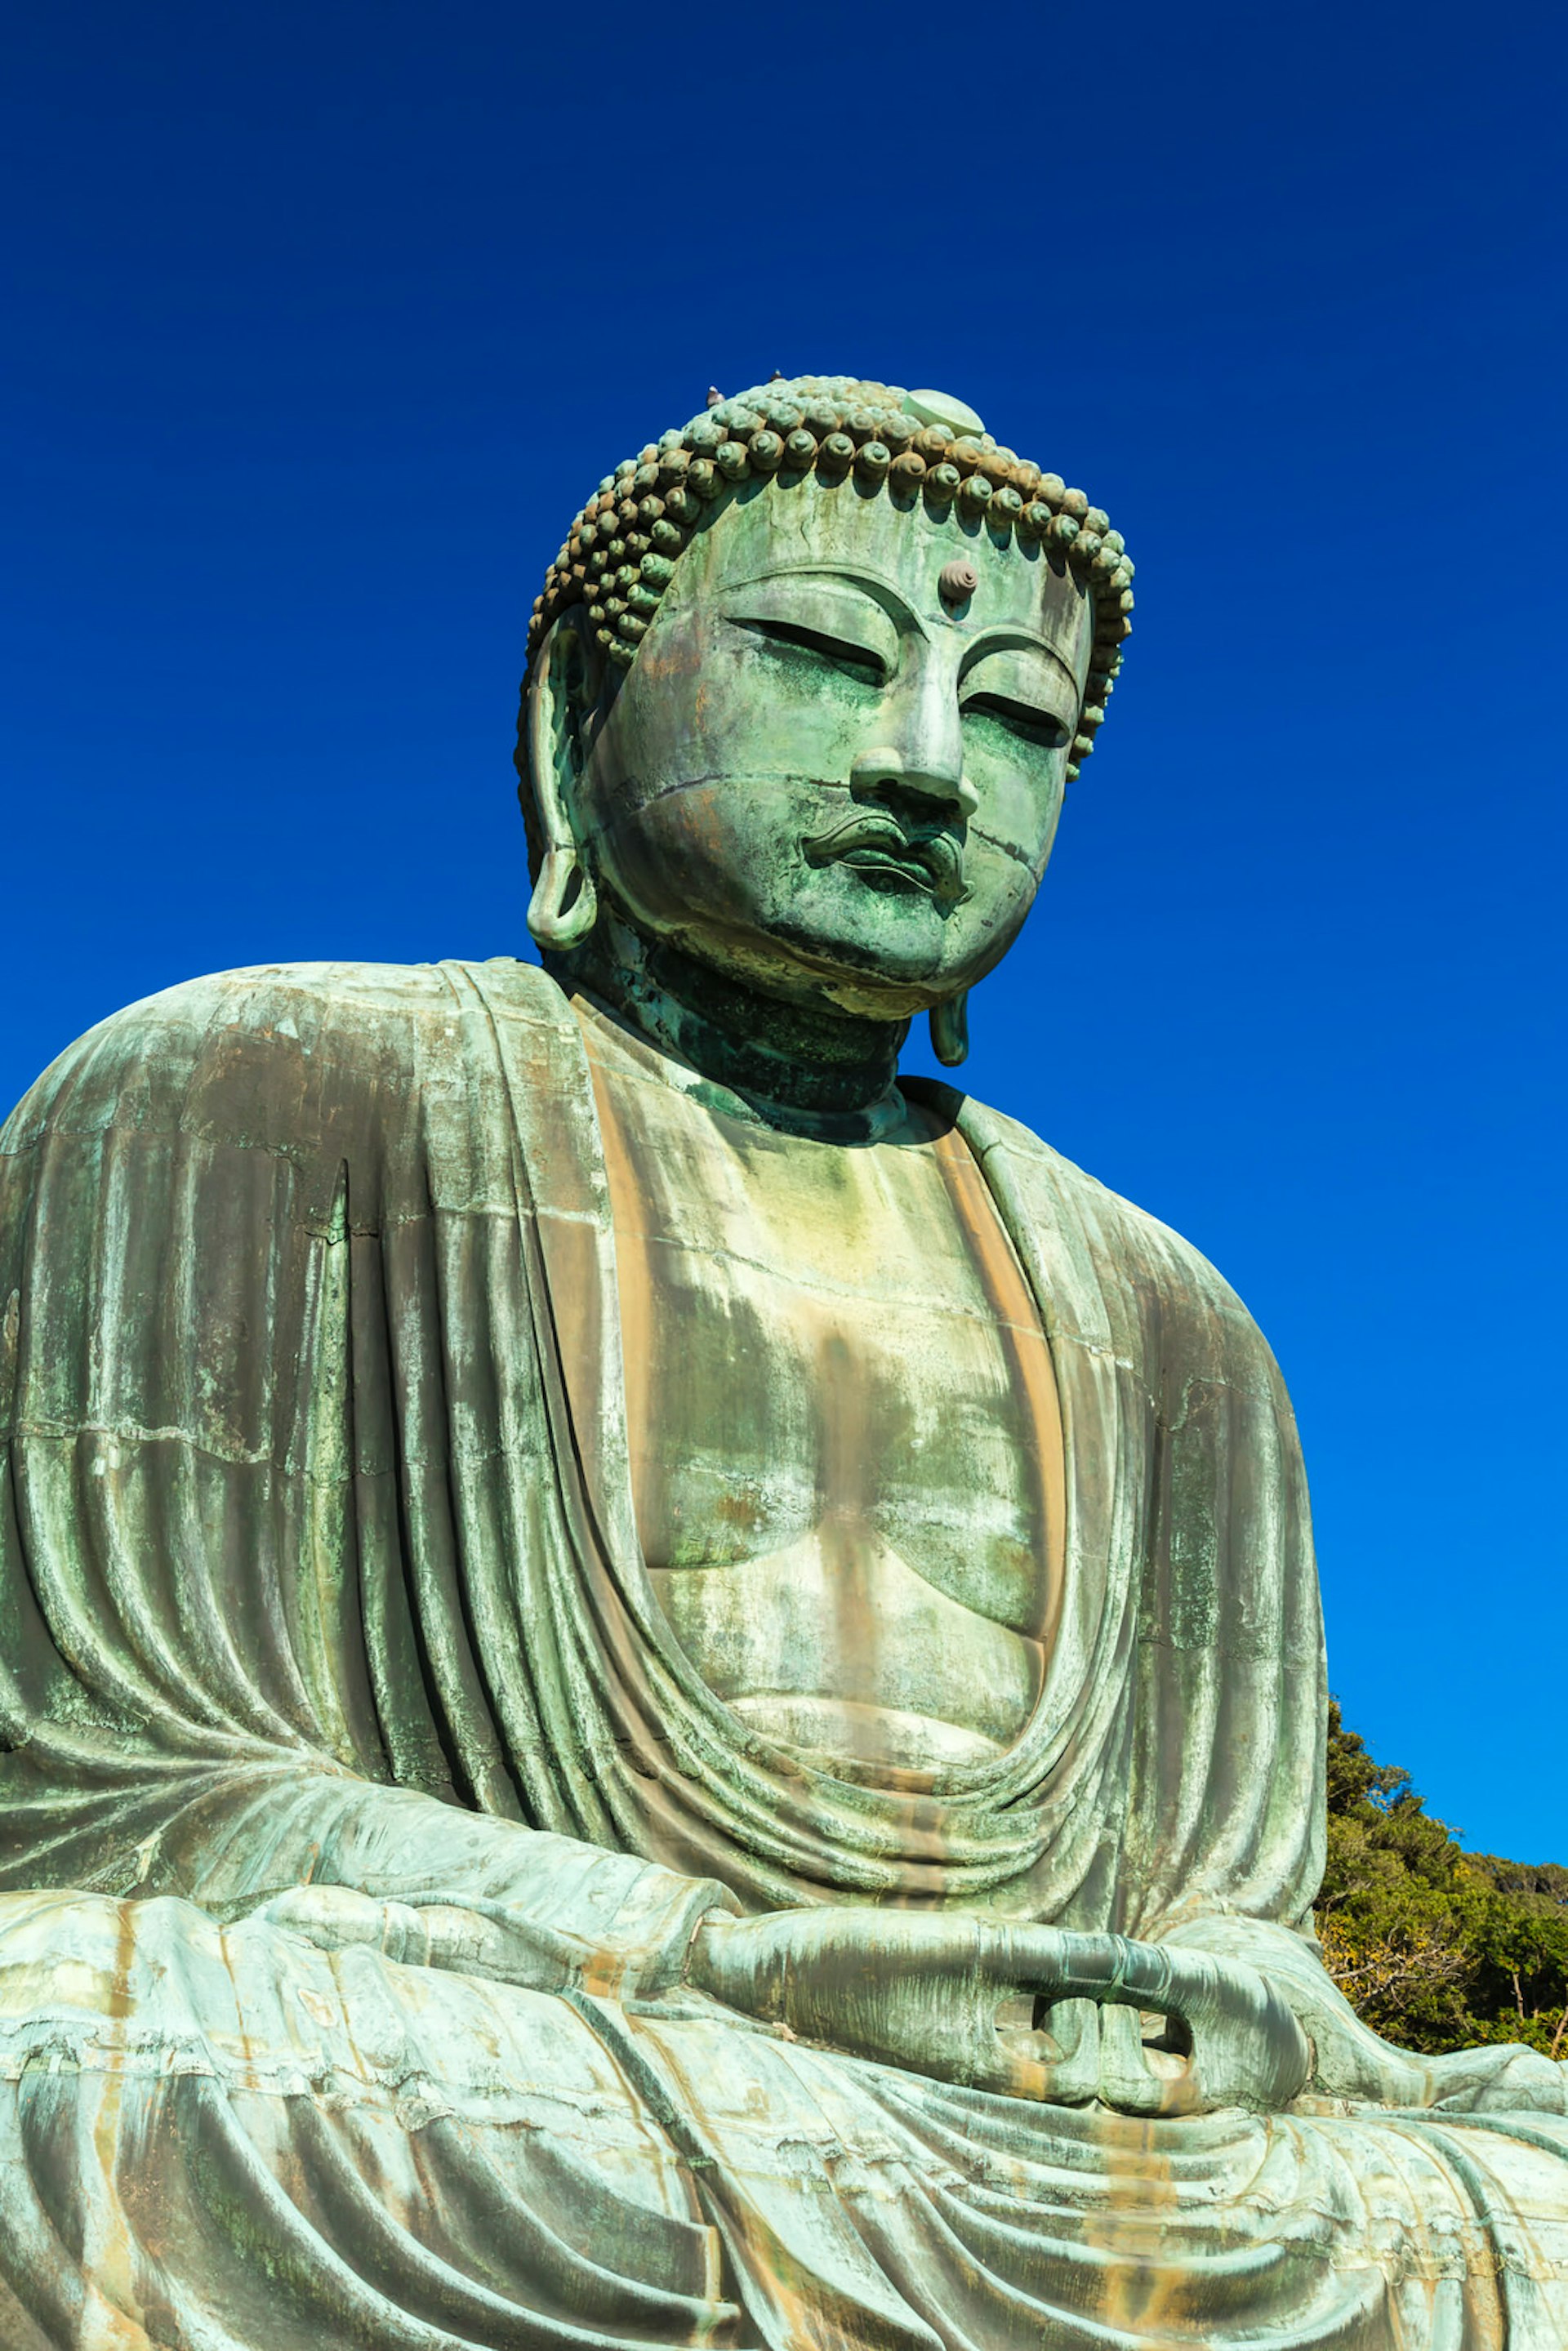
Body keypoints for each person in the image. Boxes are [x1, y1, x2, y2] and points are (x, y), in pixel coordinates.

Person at [0, 375, 1562, 2349]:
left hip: (1059, 2133)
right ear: (576, 714)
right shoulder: (237, 1093)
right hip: (549, 2055)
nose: (928, 768)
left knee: (1507, 2202)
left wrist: (1238, 2006)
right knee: (86, 2077)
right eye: (827, 657)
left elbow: (1220, 1912)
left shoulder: (1174, 1320)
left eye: (1015, 718)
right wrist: (710, 1953)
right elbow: (113, 1801)